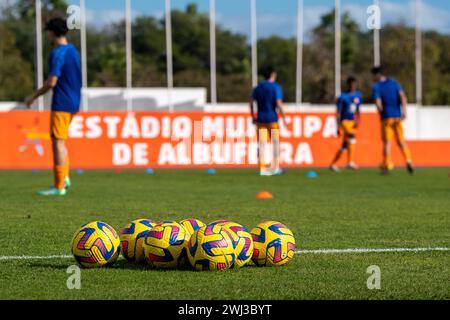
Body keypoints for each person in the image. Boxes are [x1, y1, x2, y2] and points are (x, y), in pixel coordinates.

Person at [25, 17, 82, 195]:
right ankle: (65, 177)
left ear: (52, 32)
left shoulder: (58, 53)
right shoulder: (73, 50)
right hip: (74, 102)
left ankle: (59, 185)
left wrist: (33, 96)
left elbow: (52, 82)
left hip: (62, 102)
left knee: (57, 142)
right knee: (61, 141)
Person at [371, 66, 414, 175]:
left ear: (377, 75)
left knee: (387, 143)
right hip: (397, 116)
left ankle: (387, 165)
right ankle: (408, 160)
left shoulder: (377, 86)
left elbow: (378, 101)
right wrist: (404, 111)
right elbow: (403, 97)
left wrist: (381, 111)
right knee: (401, 141)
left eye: (373, 76)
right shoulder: (394, 83)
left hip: (387, 117)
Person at [249, 66, 287, 176]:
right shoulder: (275, 87)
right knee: (275, 143)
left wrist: (253, 116)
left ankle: (262, 169)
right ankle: (275, 167)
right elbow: (279, 103)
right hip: (272, 119)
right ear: (273, 74)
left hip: (260, 119)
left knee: (262, 144)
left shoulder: (258, 87)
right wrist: (284, 118)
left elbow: (251, 102)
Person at [330, 77, 362, 172]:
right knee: (352, 136)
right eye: (351, 85)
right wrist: (338, 125)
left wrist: (358, 120)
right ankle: (350, 162)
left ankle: (333, 164)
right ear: (348, 85)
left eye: (354, 85)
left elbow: (358, 110)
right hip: (344, 121)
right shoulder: (342, 96)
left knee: (345, 145)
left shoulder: (358, 95)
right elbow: (338, 112)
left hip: (352, 122)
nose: (353, 87)